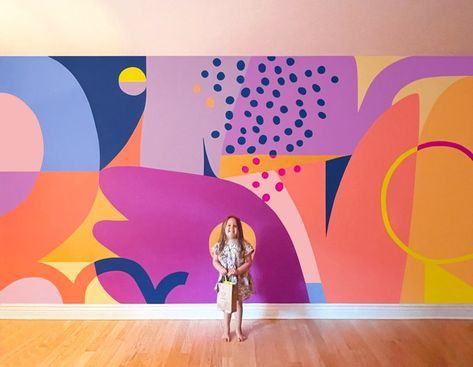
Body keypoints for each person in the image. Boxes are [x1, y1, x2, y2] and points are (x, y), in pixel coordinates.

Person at [211, 215, 254, 342]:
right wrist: (221, 269)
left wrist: (238, 271)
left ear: (239, 229)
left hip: (239, 280)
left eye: (235, 226)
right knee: (227, 305)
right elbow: (214, 261)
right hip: (226, 280)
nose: (232, 228)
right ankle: (226, 331)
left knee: (238, 304)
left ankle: (238, 330)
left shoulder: (244, 245)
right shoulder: (219, 245)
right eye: (229, 226)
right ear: (224, 228)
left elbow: (248, 262)